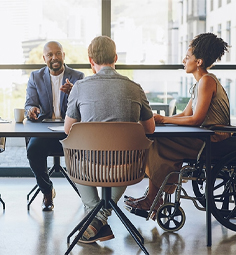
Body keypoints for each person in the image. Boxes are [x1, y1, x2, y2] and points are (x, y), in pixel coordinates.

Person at [124, 33, 231, 217]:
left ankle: (153, 199)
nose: (184, 60)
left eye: (188, 57)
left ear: (199, 62)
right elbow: (184, 115)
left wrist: (165, 120)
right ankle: (155, 198)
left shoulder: (207, 81)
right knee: (158, 137)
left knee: (158, 142)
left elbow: (196, 119)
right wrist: (162, 119)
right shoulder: (200, 83)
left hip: (214, 141)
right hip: (206, 137)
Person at [64, 35, 155, 243]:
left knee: (71, 147)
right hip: (127, 168)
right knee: (126, 152)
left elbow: (68, 129)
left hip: (88, 168)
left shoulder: (80, 87)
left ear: (90, 60)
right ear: (115, 57)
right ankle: (99, 219)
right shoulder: (135, 87)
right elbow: (150, 128)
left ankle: (94, 217)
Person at [25, 41, 84, 211]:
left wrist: (74, 92)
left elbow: (86, 106)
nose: (54, 57)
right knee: (33, 150)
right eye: (50, 55)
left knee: (86, 149)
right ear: (44, 58)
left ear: (64, 55)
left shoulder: (78, 77)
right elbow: (29, 104)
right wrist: (32, 110)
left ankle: (87, 193)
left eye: (58, 53)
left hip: (70, 131)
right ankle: (47, 190)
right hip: (45, 131)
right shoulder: (36, 77)